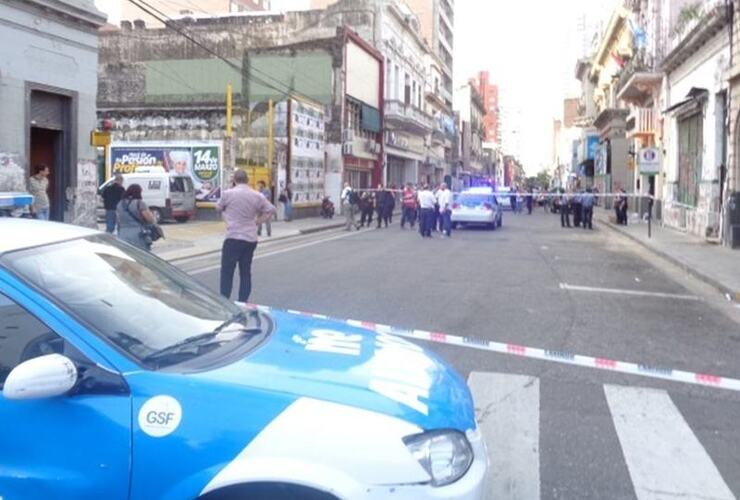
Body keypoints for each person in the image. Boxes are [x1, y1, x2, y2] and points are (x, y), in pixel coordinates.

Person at [216, 170, 276, 303]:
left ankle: (224, 300)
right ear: (247, 180)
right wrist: (257, 221)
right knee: (245, 271)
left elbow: (218, 208)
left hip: (233, 236)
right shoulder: (257, 195)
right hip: (250, 237)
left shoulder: (228, 194)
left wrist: (227, 218)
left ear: (234, 180)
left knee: (227, 271)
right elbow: (271, 209)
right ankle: (243, 301)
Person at [116, 183, 156, 250]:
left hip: (123, 233)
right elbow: (150, 219)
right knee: (140, 255)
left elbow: (118, 220)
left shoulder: (120, 204)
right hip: (138, 234)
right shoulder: (140, 203)